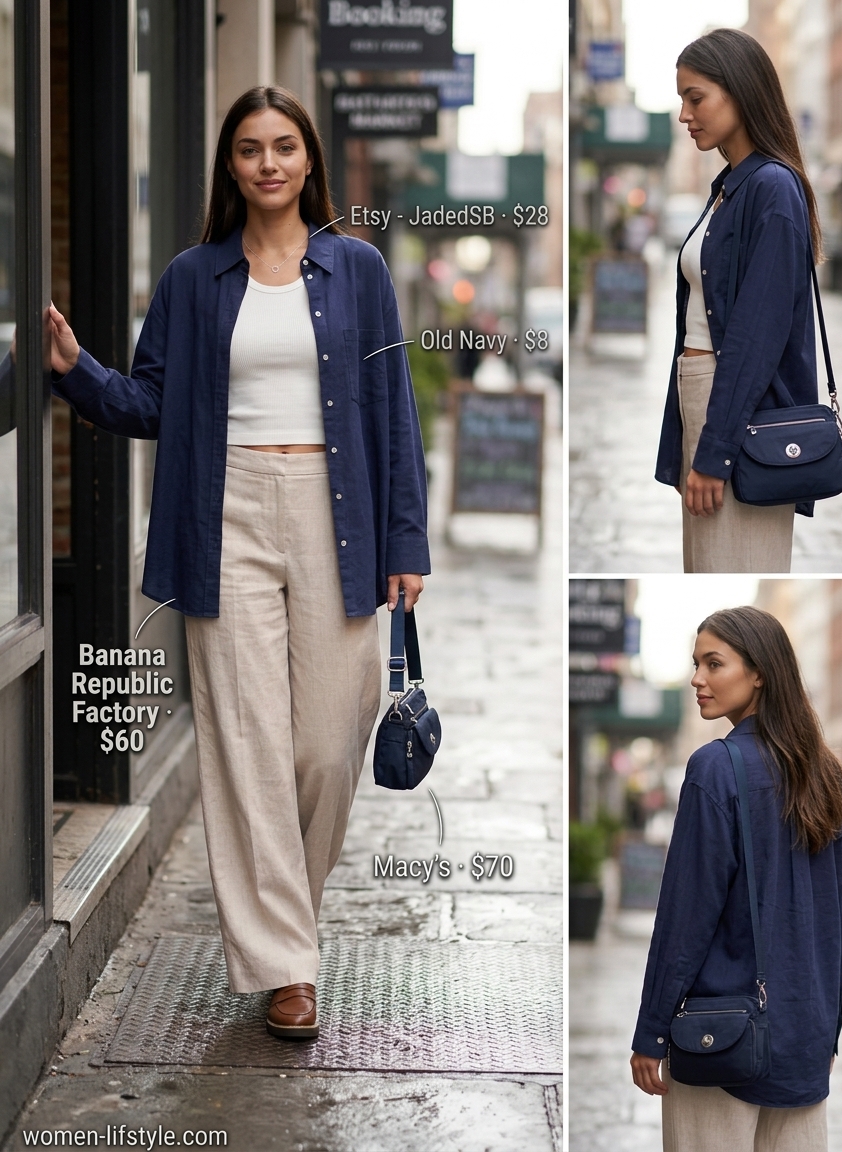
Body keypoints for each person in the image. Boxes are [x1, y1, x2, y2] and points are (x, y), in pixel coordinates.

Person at [46, 86, 430, 1040]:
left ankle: (282, 915)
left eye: (284, 146)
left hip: (335, 512)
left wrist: (406, 541)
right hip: (223, 518)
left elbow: (392, 407)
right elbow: (148, 402)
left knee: (326, 748)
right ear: (231, 165)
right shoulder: (192, 279)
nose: (267, 162)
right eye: (250, 148)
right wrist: (73, 371)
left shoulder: (361, 271)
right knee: (248, 743)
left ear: (309, 161)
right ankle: (287, 967)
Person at [630, 606, 842, 1151]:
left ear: (760, 673)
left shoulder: (716, 767)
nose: (697, 679)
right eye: (695, 663)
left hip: (721, 1039)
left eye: (713, 663)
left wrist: (652, 1030)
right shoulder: (827, 774)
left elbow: (686, 915)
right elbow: (835, 922)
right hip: (805, 1037)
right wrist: (828, 1026)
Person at [654, 29, 827, 573]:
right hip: (707, 403)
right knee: (707, 566)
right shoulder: (732, 185)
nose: (684, 114)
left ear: (741, 91)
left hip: (735, 417)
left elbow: (756, 334)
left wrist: (715, 450)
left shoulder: (771, 188)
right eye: (683, 99)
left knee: (731, 567)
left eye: (696, 97)